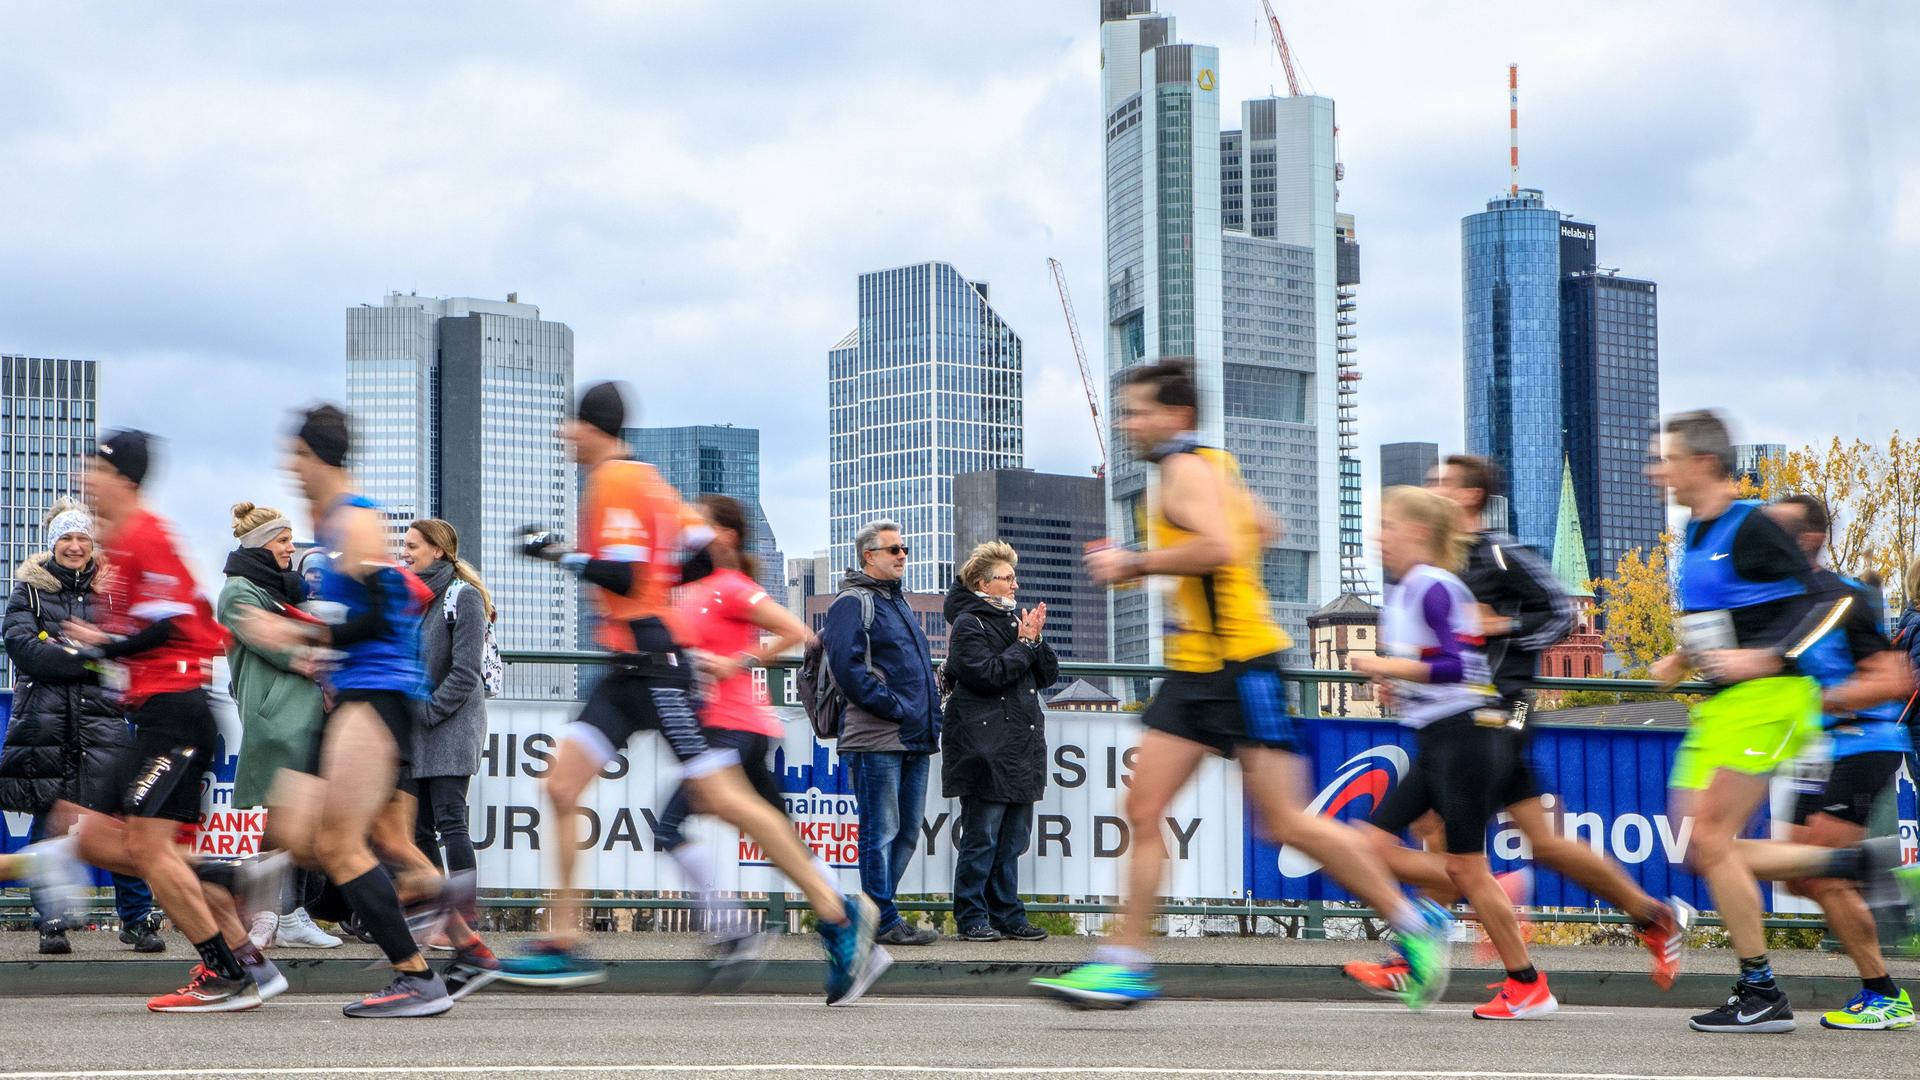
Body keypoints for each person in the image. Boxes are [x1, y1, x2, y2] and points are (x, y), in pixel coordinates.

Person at [1032, 360, 1449, 1010]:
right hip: (1199, 667)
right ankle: (1124, 961)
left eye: (1138, 411)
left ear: (1178, 416)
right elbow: (1264, 528)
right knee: (1142, 810)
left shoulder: (1186, 471)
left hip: (1242, 666)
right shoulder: (1211, 466)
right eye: (1125, 411)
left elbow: (1225, 545)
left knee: (1286, 823)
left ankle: (1417, 925)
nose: (1127, 422)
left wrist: (1136, 562)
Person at [499, 381, 886, 1006]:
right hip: (624, 668)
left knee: (725, 798)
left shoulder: (618, 483)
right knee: (561, 785)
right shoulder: (650, 484)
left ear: (592, 429)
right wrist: (656, 575)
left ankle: (838, 913)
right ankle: (563, 942)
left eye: (569, 426)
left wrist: (559, 553)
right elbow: (705, 557)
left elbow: (624, 573)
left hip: (658, 669)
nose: (562, 436)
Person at [1347, 457, 1690, 996]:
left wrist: (1497, 625)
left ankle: (1426, 949)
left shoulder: (1499, 553)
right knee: (1541, 845)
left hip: (1500, 708)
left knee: (1447, 839)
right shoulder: (1433, 568)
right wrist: (1405, 678)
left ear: (1471, 497)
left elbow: (1562, 613)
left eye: (1444, 485)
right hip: (1460, 712)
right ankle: (1651, 916)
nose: (1432, 492)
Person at [1644, 409, 1914, 1034]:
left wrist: (1772, 658)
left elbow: (1845, 624)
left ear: (1704, 462)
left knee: (1714, 840)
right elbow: (1722, 615)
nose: (1656, 471)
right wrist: (1684, 656)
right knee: (1698, 844)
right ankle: (1843, 867)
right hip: (1728, 705)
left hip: (1792, 709)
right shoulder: (1694, 532)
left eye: (1667, 458)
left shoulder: (1759, 532)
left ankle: (1765, 989)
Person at [53, 430, 285, 1012]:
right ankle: (231, 907)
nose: (86, 481)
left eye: (95, 472)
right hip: (157, 714)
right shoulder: (124, 540)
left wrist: (101, 647)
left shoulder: (144, 535)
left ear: (123, 479)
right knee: (89, 834)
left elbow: (172, 625)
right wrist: (107, 642)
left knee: (146, 849)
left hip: (176, 715)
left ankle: (227, 972)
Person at [238, 405, 456, 1017]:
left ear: (313, 458)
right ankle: (425, 899)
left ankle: (417, 975)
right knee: (291, 831)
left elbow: (372, 620)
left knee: (337, 843)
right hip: (349, 693)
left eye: (295, 456)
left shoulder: (355, 520)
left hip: (377, 694)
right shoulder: (328, 521)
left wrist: (297, 636)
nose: (289, 467)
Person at [1349, 486, 1553, 1020]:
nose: (1378, 535)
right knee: (1367, 846)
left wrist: (1384, 668)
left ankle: (1526, 983)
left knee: (1464, 869)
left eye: (1387, 525)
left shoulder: (1434, 586)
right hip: (1440, 735)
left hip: (1466, 737)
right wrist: (1400, 686)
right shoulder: (1408, 589)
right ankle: (1462, 914)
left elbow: (1455, 667)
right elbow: (1435, 669)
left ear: (1417, 533)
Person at [1762, 494, 1914, 1030]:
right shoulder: (1781, 601)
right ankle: (1874, 867)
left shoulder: (1844, 599)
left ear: (1811, 539)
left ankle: (1884, 995)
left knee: (1821, 874)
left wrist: (1817, 703)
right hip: (1817, 752)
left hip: (1860, 742)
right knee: (1795, 877)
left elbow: (1895, 679)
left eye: (1777, 533)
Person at [653, 494, 823, 968]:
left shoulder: (730, 585)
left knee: (669, 827)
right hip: (725, 727)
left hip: (734, 728)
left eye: (701, 526)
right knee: (780, 837)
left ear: (725, 536)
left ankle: (735, 928)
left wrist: (734, 661)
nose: (690, 535)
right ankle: (846, 920)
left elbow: (798, 632)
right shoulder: (695, 588)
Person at [1, 497, 163, 954]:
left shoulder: (114, 591)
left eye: (82, 537)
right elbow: (23, 649)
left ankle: (137, 919)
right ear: (53, 544)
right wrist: (91, 657)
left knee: (116, 822)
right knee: (45, 824)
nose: (75, 546)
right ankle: (50, 921)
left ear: (93, 543)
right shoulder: (28, 592)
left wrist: (70, 655)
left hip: (102, 723)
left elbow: (128, 651)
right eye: (66, 538)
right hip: (45, 725)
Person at [215, 501, 341, 951]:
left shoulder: (272, 588)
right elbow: (282, 647)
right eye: (284, 540)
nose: (292, 548)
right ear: (261, 545)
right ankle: (271, 915)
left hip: (299, 713)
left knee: (297, 818)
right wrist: (320, 649)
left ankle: (286, 913)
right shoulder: (238, 592)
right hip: (278, 716)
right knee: (282, 818)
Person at [825, 518, 942, 947]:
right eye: (893, 549)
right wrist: (894, 707)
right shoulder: (852, 603)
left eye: (904, 548)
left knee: (907, 830)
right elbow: (847, 669)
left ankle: (876, 912)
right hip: (877, 737)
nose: (902, 555)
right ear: (868, 556)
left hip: (912, 735)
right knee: (880, 830)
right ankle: (882, 917)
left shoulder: (899, 603)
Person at [941, 540, 1056, 942]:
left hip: (1020, 749)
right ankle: (972, 915)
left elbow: (1047, 676)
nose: (1014, 585)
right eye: (1006, 578)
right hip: (984, 749)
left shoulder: (1014, 621)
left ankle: (1007, 913)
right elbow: (986, 675)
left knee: (1013, 841)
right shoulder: (969, 625)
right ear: (982, 584)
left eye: (1014, 577)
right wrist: (1023, 645)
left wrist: (1035, 641)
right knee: (981, 838)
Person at [399, 520, 490, 896]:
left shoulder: (462, 596)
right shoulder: (412, 600)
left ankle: (465, 918)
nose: (405, 553)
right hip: (417, 726)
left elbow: (466, 671)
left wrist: (429, 712)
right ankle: (441, 911)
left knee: (451, 822)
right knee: (417, 830)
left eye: (413, 546)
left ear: (437, 551)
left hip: (448, 725)